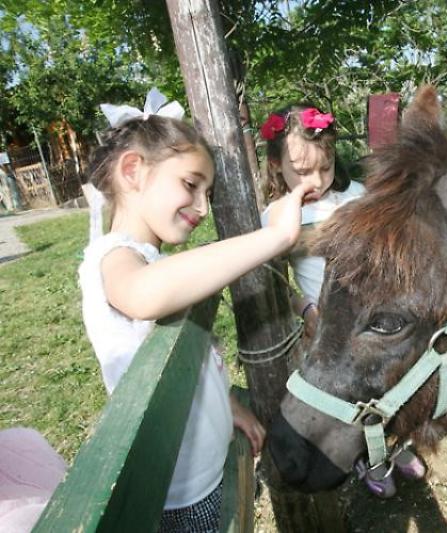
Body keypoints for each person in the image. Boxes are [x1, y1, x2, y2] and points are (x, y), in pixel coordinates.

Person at [78, 89, 313, 531]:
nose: (203, 207)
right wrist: (274, 239)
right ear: (133, 170)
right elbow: (142, 294)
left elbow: (192, 362)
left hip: (199, 476)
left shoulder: (155, 261)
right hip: (176, 498)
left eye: (207, 192)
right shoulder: (112, 258)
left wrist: (228, 406)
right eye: (190, 184)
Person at [259, 103, 426, 499]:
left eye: (326, 166)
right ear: (275, 165)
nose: (317, 179)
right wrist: (304, 309)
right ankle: (373, 459)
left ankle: (398, 446)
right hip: (323, 332)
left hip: (370, 323)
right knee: (348, 401)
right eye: (302, 172)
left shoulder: (359, 197)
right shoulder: (276, 218)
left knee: (385, 390)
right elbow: (274, 284)